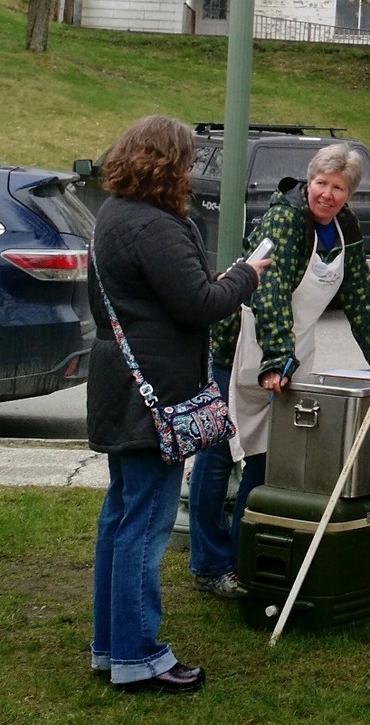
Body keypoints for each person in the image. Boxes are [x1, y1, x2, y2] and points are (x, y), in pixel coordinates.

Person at [188, 142, 370, 597]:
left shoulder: (346, 227)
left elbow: (359, 300)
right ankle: (210, 564)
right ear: (308, 183)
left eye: (337, 188)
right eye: (321, 184)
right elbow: (268, 293)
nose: (327, 195)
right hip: (244, 343)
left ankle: (245, 554)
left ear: (349, 194)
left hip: (293, 349)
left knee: (269, 456)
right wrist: (276, 360)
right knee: (217, 455)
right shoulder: (285, 219)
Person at [87, 115, 266, 693]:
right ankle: (138, 656)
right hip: (155, 394)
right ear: (168, 164)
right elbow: (199, 302)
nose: (194, 171)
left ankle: (110, 647)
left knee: (120, 517)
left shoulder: (112, 214)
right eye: (188, 161)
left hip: (122, 383)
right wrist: (247, 274)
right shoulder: (155, 225)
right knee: (144, 524)